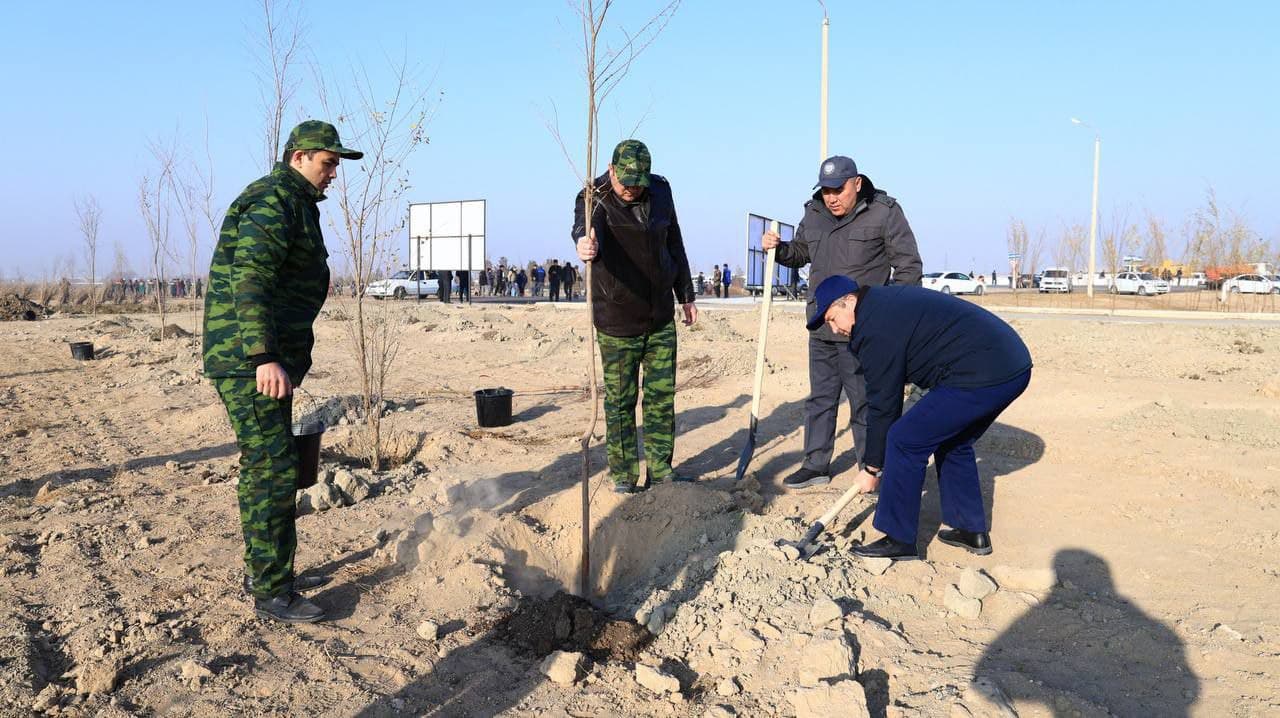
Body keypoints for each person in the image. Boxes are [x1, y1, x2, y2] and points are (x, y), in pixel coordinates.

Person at [203, 120, 363, 624]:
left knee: (268, 464)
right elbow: (250, 279)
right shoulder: (274, 201)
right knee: (273, 468)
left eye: (336, 163)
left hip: (265, 358)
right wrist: (263, 357)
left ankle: (271, 570)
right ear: (298, 157)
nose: (333, 172)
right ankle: (273, 590)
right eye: (328, 161)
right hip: (249, 360)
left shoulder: (294, 202)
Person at [806, 275, 1032, 560]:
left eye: (832, 318)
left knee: (904, 439)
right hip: (1011, 365)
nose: (834, 329)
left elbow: (883, 405)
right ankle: (970, 530)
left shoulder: (874, 327)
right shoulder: (880, 305)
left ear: (849, 301)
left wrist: (873, 468)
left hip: (984, 370)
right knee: (953, 439)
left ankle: (899, 538)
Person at [763, 155, 922, 490]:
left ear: (857, 183)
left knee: (866, 401)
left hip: (861, 330)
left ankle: (873, 470)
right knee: (820, 399)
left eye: (838, 189)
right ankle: (816, 464)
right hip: (821, 326)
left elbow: (908, 267)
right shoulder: (814, 212)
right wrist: (778, 249)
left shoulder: (884, 212)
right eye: (826, 190)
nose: (831, 197)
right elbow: (801, 253)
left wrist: (890, 314)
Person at [573, 139, 697, 492]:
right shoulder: (593, 195)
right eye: (625, 180)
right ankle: (624, 477)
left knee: (661, 399)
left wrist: (685, 294)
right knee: (621, 402)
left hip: (659, 317)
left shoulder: (660, 190)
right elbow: (582, 230)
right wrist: (584, 243)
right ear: (611, 171)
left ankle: (660, 472)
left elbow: (674, 241)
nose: (631, 189)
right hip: (617, 319)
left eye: (638, 181)